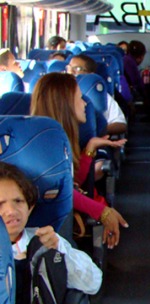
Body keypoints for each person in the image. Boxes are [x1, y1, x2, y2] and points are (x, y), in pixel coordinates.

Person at [30, 73, 128, 249]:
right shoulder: (44, 146)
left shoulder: (60, 139)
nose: (85, 103)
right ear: (65, 104)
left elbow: (75, 183)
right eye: (79, 98)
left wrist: (90, 147)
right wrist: (102, 211)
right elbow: (62, 192)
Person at [0, 161, 102, 302]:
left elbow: (93, 282)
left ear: (29, 207)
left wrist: (57, 251)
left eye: (18, 201)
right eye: (0, 204)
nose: (11, 211)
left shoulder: (42, 240)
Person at [67, 54, 127, 135]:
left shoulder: (99, 95)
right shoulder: (58, 93)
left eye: (77, 69)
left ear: (90, 74)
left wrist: (97, 131)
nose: (70, 72)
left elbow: (121, 124)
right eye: (69, 68)